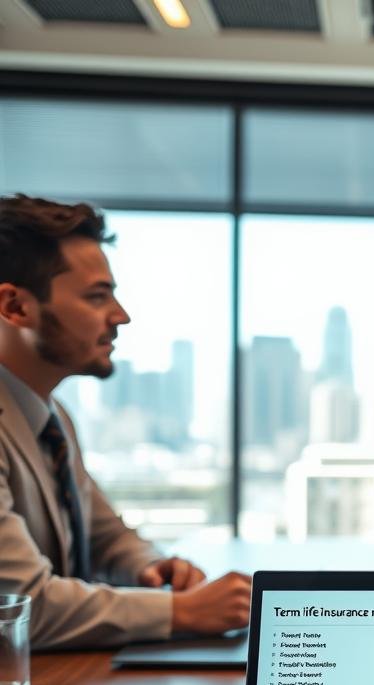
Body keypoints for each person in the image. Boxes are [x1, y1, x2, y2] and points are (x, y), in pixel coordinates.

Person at [0, 194, 251, 650]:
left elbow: (104, 534)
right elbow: (20, 604)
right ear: (16, 307)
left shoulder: (53, 416)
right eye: (97, 296)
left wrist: (150, 565)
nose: (121, 316)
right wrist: (184, 611)